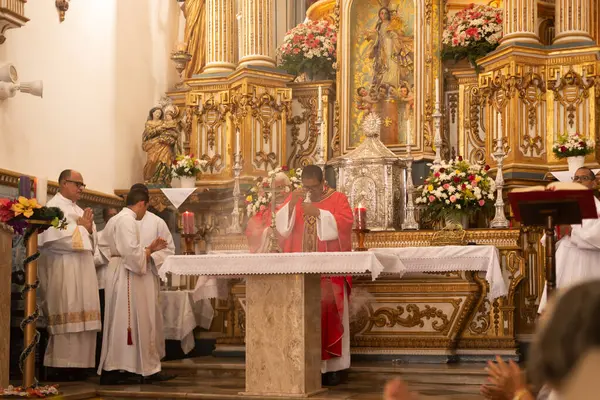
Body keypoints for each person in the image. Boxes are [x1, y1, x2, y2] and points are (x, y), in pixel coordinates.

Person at [274, 165, 354, 386]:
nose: (310, 191)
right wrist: (291, 204)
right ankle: (304, 365)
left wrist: (319, 213)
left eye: (314, 187)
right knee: (303, 315)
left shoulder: (337, 198)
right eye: (305, 186)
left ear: (323, 182)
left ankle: (334, 368)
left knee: (330, 315)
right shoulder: (296, 198)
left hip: (329, 273)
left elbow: (346, 224)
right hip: (301, 270)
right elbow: (282, 229)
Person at [97, 188, 171, 385]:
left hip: (120, 273)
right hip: (128, 275)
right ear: (141, 204)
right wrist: (149, 250)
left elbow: (104, 245)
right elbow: (132, 253)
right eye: (145, 207)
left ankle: (126, 367)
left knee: (123, 322)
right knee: (129, 322)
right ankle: (123, 368)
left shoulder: (116, 219)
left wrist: (146, 253)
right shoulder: (127, 220)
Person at [38, 169, 101, 380]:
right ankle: (61, 366)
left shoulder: (79, 210)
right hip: (64, 270)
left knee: (85, 314)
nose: (81, 188)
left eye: (82, 184)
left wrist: (90, 230)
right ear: (64, 183)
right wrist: (83, 228)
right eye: (77, 184)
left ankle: (82, 366)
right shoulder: (52, 209)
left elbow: (92, 245)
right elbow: (56, 240)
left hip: (83, 270)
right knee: (69, 309)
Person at [538, 167, 600, 312]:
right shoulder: (564, 206)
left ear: (594, 183)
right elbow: (550, 235)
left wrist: (572, 232)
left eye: (584, 178)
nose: (579, 181)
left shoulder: (598, 208)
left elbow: (597, 236)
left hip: (589, 261)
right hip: (565, 260)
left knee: (587, 310)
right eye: (576, 178)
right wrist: (555, 232)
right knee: (560, 309)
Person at [129, 183, 176, 373]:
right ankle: (129, 362)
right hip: (127, 279)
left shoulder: (157, 222)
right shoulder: (122, 220)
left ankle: (150, 362)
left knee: (148, 318)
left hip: (147, 276)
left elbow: (169, 249)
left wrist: (149, 257)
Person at [94, 207, 118, 366]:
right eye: (110, 216)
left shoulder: (123, 235)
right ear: (104, 219)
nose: (113, 219)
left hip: (119, 286)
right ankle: (100, 360)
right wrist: (108, 255)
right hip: (102, 285)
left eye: (116, 216)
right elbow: (92, 259)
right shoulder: (99, 236)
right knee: (102, 324)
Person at [245, 172, 291, 253]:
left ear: (289, 188)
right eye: (274, 188)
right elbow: (251, 232)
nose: (277, 192)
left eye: (280, 187)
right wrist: (266, 232)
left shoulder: (294, 208)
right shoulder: (265, 211)